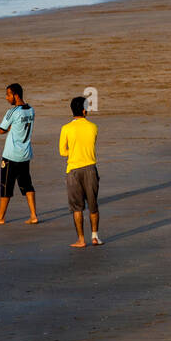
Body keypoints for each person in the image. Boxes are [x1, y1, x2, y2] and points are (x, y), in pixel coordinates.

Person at [0, 83, 37, 225]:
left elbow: (1, 130)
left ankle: (0, 217)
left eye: (8, 94)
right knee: (27, 185)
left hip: (11, 155)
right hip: (25, 154)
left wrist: (10, 127)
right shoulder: (31, 110)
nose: (6, 98)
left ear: (16, 95)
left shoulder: (12, 112)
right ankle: (34, 215)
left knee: (6, 186)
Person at [59, 96, 101, 248]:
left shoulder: (66, 128)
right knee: (93, 205)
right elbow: (91, 143)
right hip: (90, 168)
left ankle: (81, 239)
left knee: (77, 207)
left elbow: (62, 151)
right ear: (84, 111)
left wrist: (73, 151)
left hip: (74, 170)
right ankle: (95, 237)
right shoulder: (93, 127)